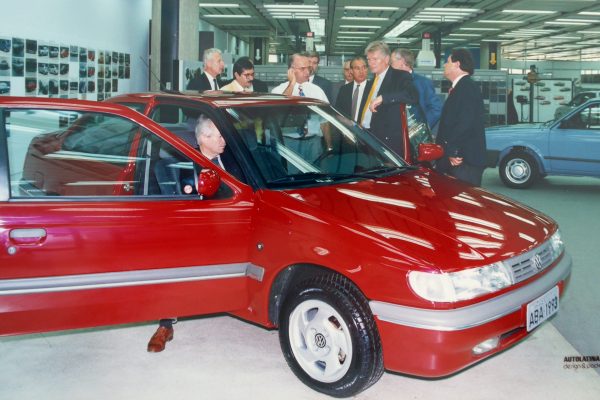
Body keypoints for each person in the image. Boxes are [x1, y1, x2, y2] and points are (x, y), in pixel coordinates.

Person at [147, 116, 232, 352]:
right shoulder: (184, 165)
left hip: (232, 224)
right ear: (204, 138)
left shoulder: (232, 161)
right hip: (197, 228)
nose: (224, 141)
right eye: (219, 136)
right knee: (171, 261)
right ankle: (165, 324)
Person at [435, 48, 487, 186]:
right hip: (461, 159)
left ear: (457, 64)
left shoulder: (466, 88)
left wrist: (453, 150)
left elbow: (465, 122)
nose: (444, 65)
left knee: (462, 196)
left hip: (463, 161)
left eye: (447, 62)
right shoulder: (462, 86)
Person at [362, 41, 418, 157]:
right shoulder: (371, 83)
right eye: (368, 59)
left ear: (387, 59)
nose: (371, 63)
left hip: (388, 142)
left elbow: (412, 95)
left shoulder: (400, 76)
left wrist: (384, 98)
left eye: (375, 59)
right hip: (368, 137)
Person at [271, 53, 330, 161]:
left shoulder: (317, 90)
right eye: (303, 69)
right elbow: (280, 109)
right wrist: (292, 83)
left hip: (314, 142)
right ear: (291, 70)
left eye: (308, 68)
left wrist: (329, 146)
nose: (307, 72)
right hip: (289, 142)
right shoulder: (279, 90)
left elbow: (324, 121)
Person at [390, 48, 442, 132]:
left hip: (414, 134)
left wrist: (421, 128)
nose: (389, 66)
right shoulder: (392, 82)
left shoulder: (423, 83)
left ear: (402, 62)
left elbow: (436, 109)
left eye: (391, 62)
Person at [335, 56, 372, 122]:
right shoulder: (344, 89)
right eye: (357, 68)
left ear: (367, 69)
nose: (361, 71)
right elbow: (338, 112)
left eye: (364, 67)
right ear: (351, 71)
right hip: (347, 127)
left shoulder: (373, 88)